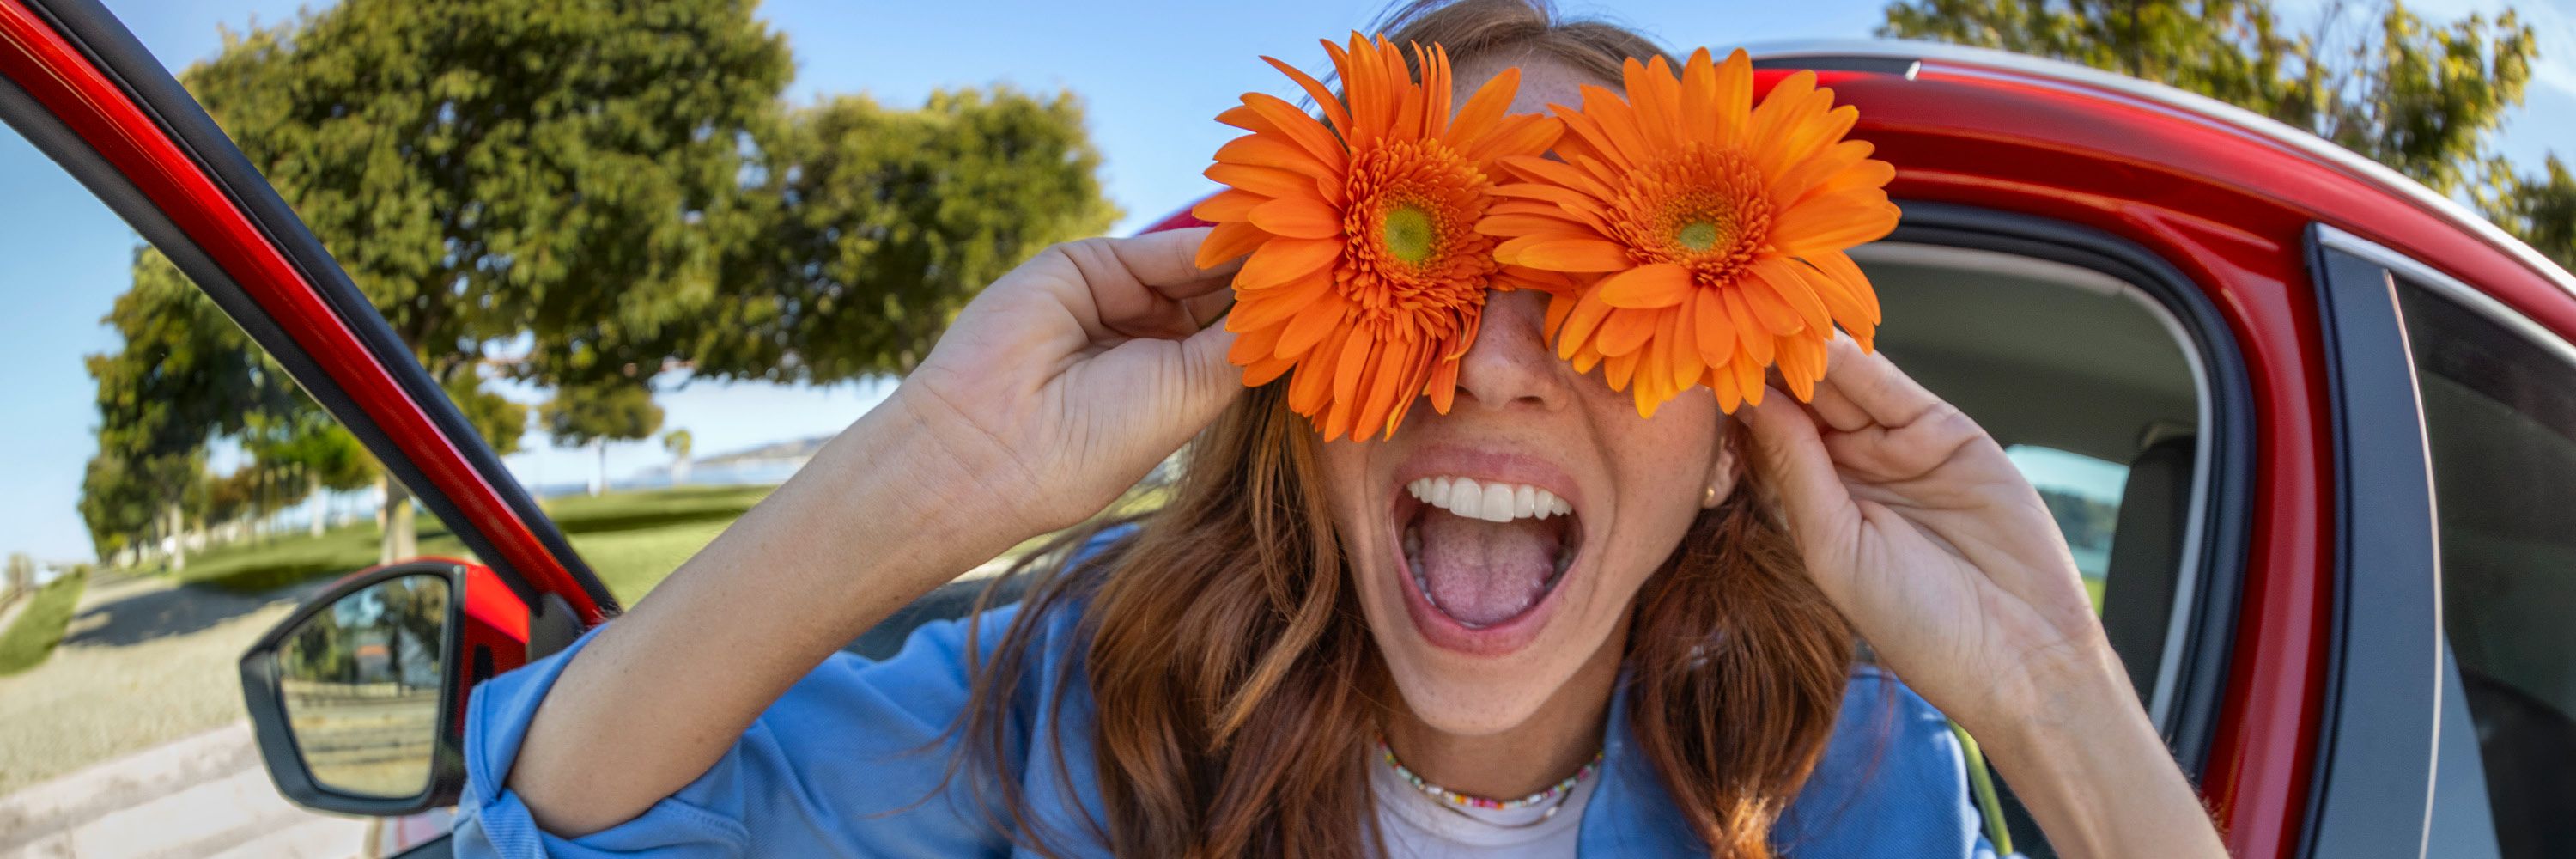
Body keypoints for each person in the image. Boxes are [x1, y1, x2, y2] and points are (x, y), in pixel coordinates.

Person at [453, 2, 2231, 856]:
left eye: (1609, 280)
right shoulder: (1073, 694)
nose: (1490, 370)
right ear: (1292, 367)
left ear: (1735, 430)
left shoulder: (1853, 783)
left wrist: (2056, 698)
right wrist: (927, 481)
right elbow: (559, 831)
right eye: (1433, 262)